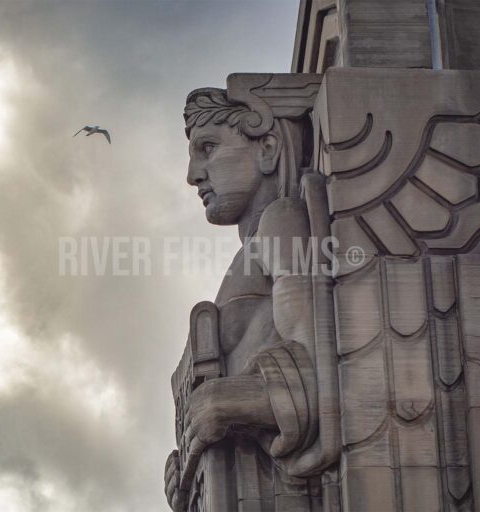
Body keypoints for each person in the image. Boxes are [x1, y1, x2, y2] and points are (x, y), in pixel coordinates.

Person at [165, 87, 319, 511]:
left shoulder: (282, 221)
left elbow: (327, 368)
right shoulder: (250, 251)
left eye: (208, 148)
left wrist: (237, 401)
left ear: (267, 148)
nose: (193, 174)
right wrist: (189, 474)